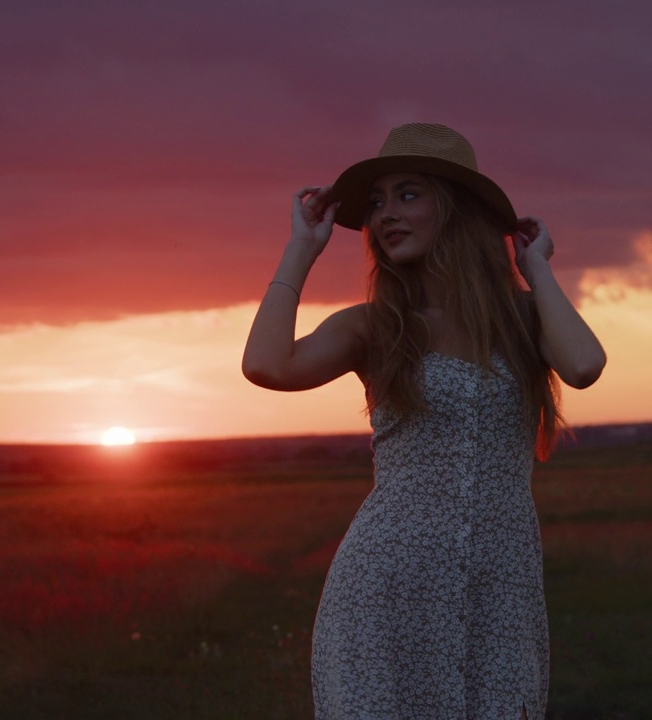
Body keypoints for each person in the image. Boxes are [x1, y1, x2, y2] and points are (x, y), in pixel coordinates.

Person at [242, 123, 605, 719]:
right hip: (388, 587)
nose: (386, 215)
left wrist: (536, 272)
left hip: (500, 591)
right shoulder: (374, 326)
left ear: (456, 209)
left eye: (408, 194)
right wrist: (299, 251)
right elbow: (266, 364)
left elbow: (585, 365)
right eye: (378, 201)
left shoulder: (521, 319)